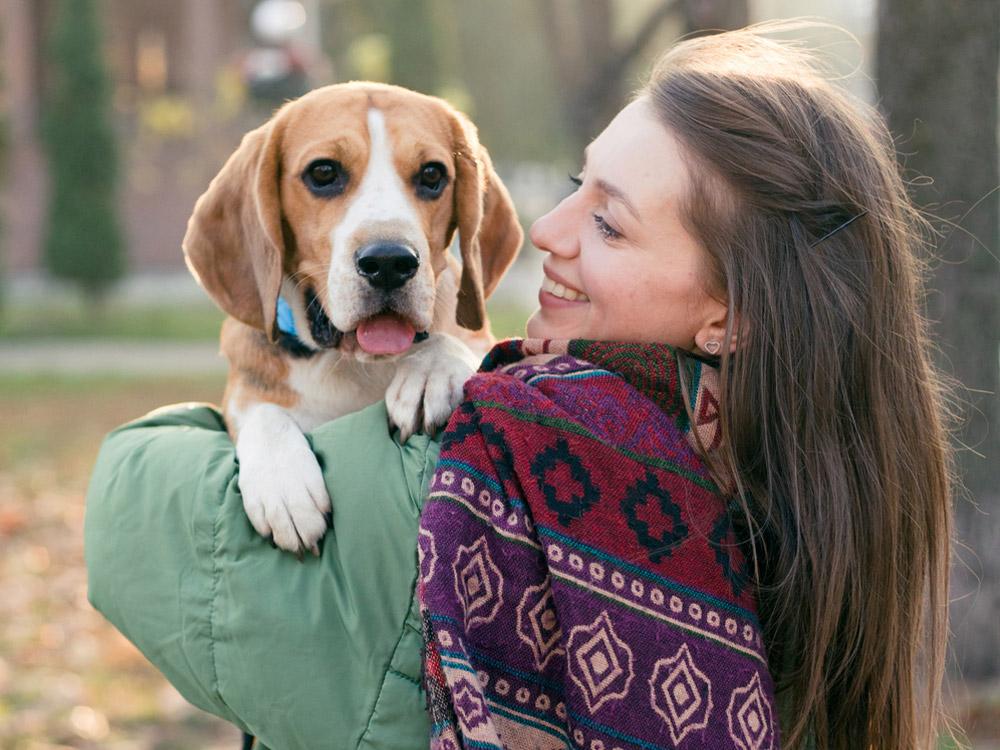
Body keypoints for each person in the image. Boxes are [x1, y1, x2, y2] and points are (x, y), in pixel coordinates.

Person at [85, 23, 953, 750]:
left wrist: (242, 431)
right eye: (578, 186)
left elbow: (132, 516)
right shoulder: (817, 479)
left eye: (608, 221)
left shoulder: (490, 453)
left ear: (732, 313)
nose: (546, 230)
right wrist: (268, 418)